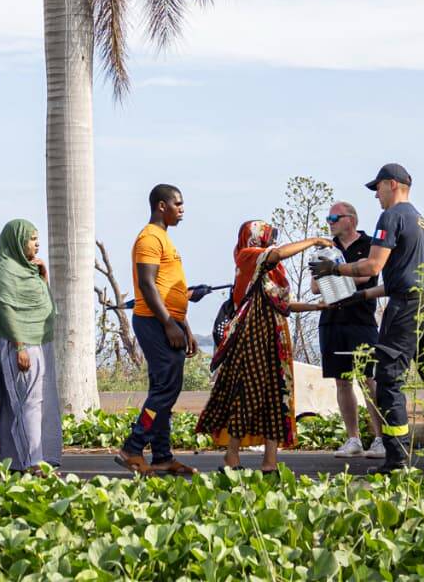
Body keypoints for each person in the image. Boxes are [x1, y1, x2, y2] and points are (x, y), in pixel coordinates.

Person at [311, 163, 424, 478]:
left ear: (391, 184)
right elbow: (399, 277)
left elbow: (372, 266)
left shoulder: (391, 216)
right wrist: (361, 296)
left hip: (407, 307)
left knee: (388, 378)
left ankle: (397, 460)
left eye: (377, 189)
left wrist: (334, 270)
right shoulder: (420, 220)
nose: (376, 196)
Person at [197, 222, 331, 471]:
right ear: (254, 238)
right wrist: (313, 240)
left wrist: (316, 306)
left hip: (276, 339)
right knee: (247, 395)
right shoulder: (247, 256)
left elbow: (284, 304)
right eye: (268, 237)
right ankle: (231, 457)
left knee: (277, 397)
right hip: (251, 338)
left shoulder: (273, 271)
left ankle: (270, 461)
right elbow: (276, 254)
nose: (272, 242)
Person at [116, 185, 196, 477]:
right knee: (164, 392)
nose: (182, 209)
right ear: (162, 206)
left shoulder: (163, 237)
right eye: (178, 204)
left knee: (163, 392)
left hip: (168, 322)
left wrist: (183, 325)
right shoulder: (149, 238)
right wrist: (168, 324)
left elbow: (167, 287)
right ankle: (133, 447)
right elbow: (147, 285)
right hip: (154, 322)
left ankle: (162, 456)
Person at [312, 201, 386, 459]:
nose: (330, 222)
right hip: (331, 321)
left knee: (369, 380)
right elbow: (315, 286)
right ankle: (353, 438)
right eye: (328, 218)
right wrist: (345, 275)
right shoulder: (325, 248)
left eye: (334, 218)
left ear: (351, 220)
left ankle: (380, 438)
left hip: (361, 320)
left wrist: (333, 275)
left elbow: (367, 275)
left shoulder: (370, 245)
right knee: (342, 381)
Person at [0, 218, 61, 472]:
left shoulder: (31, 271)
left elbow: (47, 303)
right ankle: (33, 463)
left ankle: (24, 461)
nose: (36, 244)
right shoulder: (4, 272)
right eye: (31, 239)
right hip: (18, 343)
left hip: (40, 341)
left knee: (41, 402)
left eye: (36, 238)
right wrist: (19, 346)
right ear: (17, 241)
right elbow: (6, 310)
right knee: (26, 403)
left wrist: (44, 276)